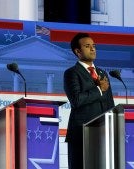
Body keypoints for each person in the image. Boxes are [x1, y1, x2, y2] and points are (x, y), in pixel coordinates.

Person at [64, 32, 115, 169]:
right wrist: (98, 90)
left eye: (94, 46)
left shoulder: (102, 73)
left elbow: (110, 104)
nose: (93, 49)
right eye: (88, 46)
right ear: (78, 51)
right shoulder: (72, 73)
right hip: (82, 134)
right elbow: (76, 100)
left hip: (103, 134)